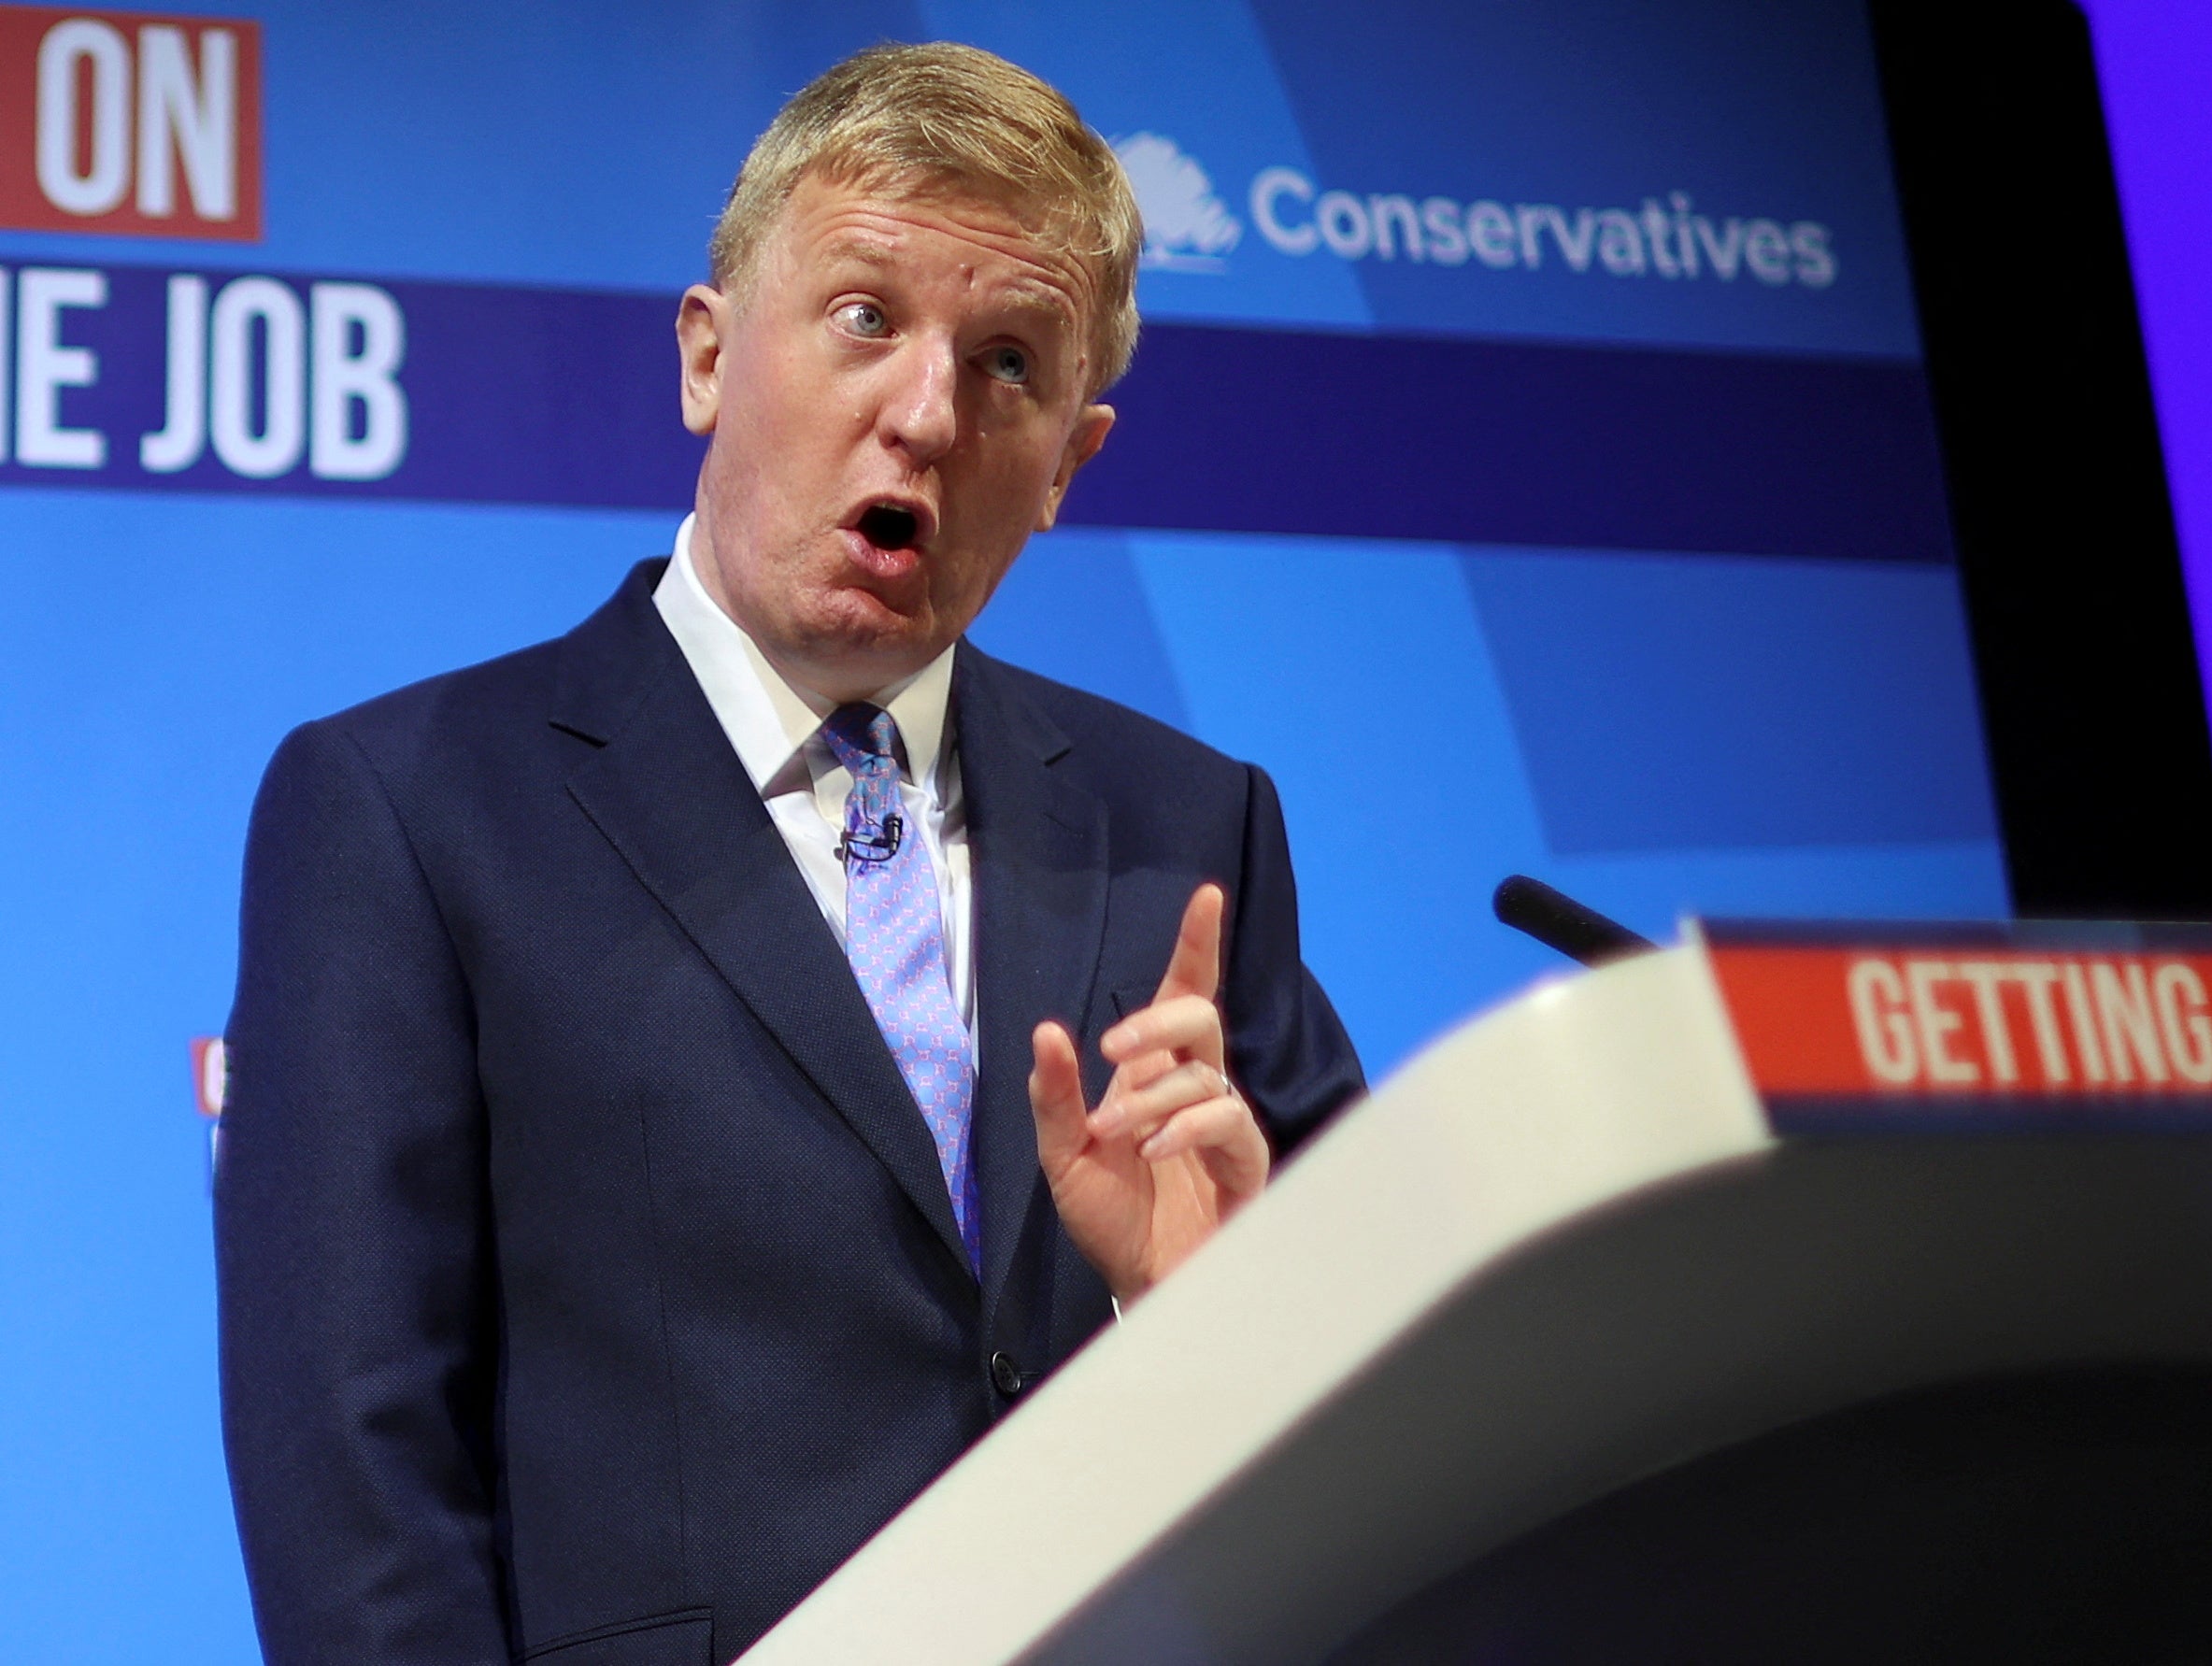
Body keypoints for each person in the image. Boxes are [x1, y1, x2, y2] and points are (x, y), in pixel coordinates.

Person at [214, 41, 1363, 1666]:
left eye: (1011, 365)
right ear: (704, 355)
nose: (927, 413)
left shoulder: (1186, 825)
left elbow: (1391, 1401)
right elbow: (355, 1474)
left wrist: (1218, 1316)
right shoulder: (406, 810)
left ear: (1069, 468)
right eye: (864, 317)